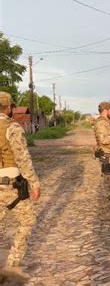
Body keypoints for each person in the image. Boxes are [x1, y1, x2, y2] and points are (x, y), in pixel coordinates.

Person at [0, 91, 41, 282]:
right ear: (9, 108)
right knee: (27, 221)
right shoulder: (12, 127)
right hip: (9, 186)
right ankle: (12, 264)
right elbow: (22, 158)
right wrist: (34, 182)